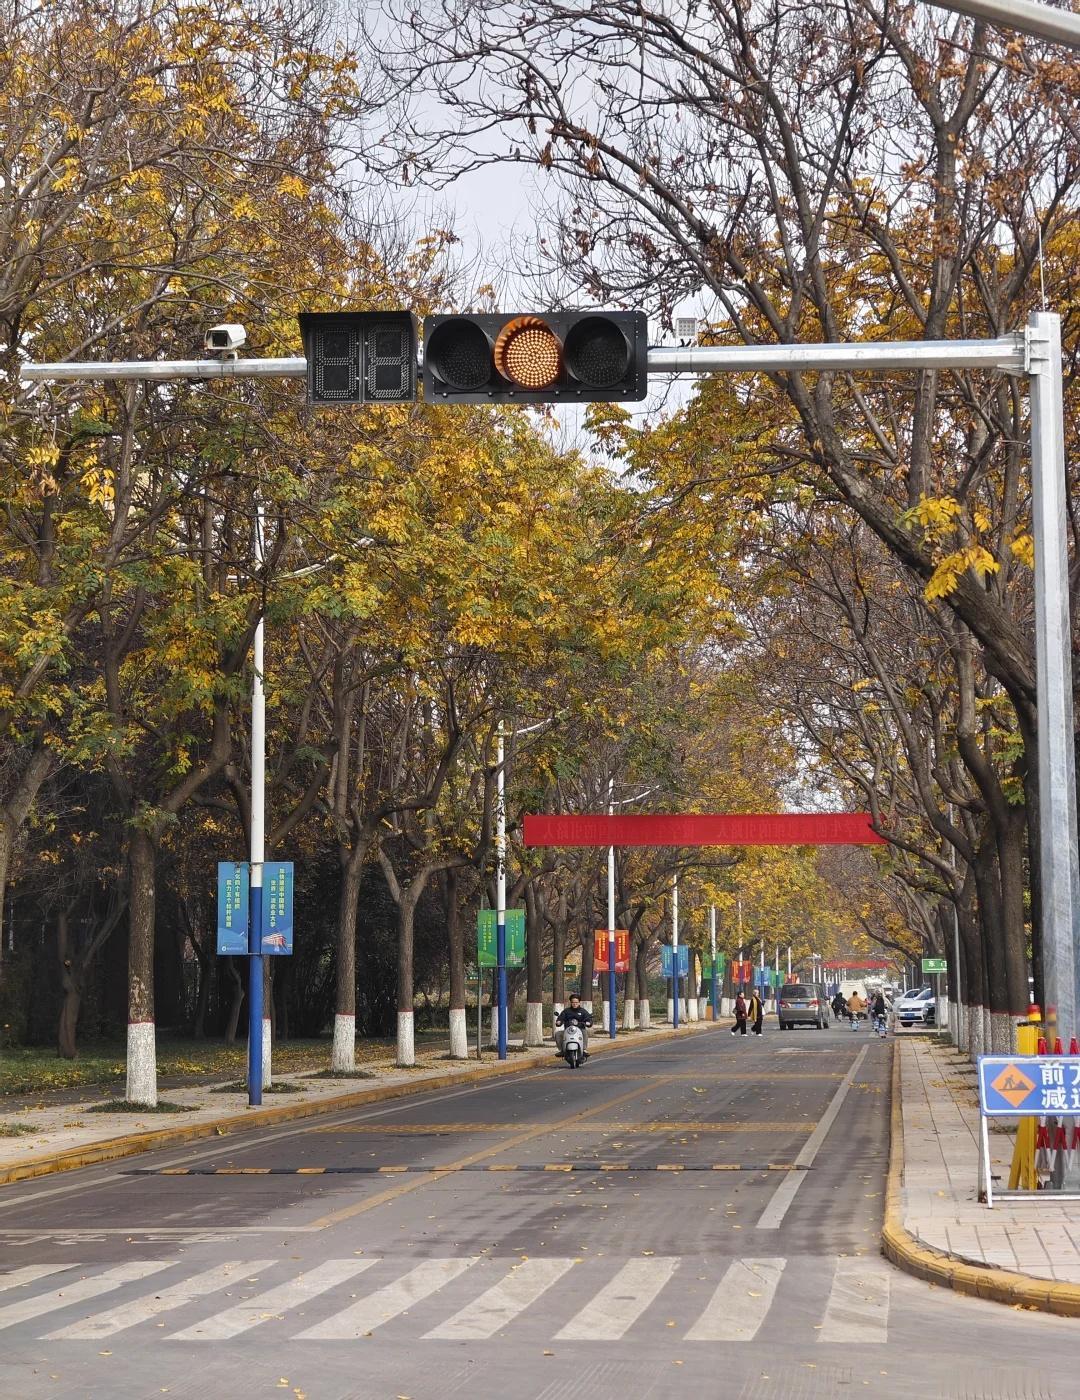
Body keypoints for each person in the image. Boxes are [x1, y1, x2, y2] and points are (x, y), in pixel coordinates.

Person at [555, 994, 592, 1059]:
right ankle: (562, 1050)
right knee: (558, 1034)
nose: (574, 1004)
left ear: (579, 1002)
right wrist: (559, 1021)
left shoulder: (583, 1011)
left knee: (585, 1032)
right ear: (571, 1002)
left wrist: (589, 1022)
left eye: (576, 1002)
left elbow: (588, 1019)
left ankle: (584, 1049)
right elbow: (560, 1018)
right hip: (568, 1030)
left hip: (580, 1030)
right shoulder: (566, 1011)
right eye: (573, 1002)